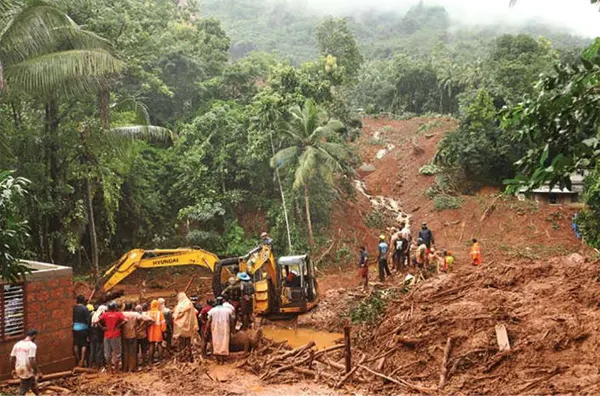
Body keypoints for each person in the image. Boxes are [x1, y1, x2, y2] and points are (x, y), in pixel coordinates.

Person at [10, 329, 41, 396]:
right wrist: (38, 372)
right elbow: (31, 360)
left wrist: (13, 369)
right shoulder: (32, 345)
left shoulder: (17, 344)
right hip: (26, 368)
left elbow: (12, 358)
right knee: (23, 389)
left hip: (18, 367)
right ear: (34, 336)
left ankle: (37, 394)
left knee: (33, 383)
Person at [99, 301, 127, 373]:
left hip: (107, 335)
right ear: (115, 307)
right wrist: (119, 325)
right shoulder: (118, 314)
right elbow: (125, 320)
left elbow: (96, 321)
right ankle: (116, 369)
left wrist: (102, 327)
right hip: (116, 334)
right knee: (117, 353)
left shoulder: (105, 314)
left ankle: (110, 369)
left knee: (107, 353)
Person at [122, 302, 151, 372]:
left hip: (124, 335)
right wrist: (144, 326)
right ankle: (133, 368)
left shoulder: (122, 314)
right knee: (133, 352)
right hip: (133, 334)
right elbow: (147, 319)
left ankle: (125, 367)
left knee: (125, 351)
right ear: (131, 307)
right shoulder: (135, 314)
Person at [207, 296, 234, 364]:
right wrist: (233, 328)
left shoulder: (212, 310)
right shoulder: (228, 310)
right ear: (222, 302)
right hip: (225, 328)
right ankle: (222, 360)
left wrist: (206, 330)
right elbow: (232, 320)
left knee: (216, 342)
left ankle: (217, 360)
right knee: (224, 342)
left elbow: (209, 321)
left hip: (215, 328)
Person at [173, 292, 199, 362]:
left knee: (181, 343)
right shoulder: (190, 304)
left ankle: (182, 357)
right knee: (188, 342)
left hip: (180, 328)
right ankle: (189, 357)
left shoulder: (179, 306)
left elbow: (175, 316)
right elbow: (196, 312)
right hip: (189, 327)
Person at [72, 295, 91, 367]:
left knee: (76, 344)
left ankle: (77, 359)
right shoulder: (85, 309)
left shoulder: (74, 308)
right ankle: (82, 360)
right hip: (83, 328)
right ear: (83, 301)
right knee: (84, 344)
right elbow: (88, 320)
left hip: (75, 328)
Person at [89, 305, 106, 369]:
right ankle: (98, 365)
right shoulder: (101, 316)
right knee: (99, 350)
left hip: (92, 335)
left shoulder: (92, 315)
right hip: (99, 336)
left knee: (92, 350)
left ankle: (91, 365)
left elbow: (89, 325)